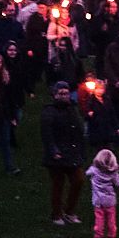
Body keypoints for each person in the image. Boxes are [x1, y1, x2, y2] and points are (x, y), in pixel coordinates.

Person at [41, 82, 88, 226]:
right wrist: (54, 150)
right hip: (57, 156)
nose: (64, 96)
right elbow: (47, 134)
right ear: (55, 95)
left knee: (78, 180)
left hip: (72, 153)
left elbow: (79, 131)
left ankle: (69, 211)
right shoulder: (49, 112)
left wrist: (81, 150)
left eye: (66, 93)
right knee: (58, 184)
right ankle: (56, 214)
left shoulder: (72, 110)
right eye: (60, 93)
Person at [86, 147, 119, 238]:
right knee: (111, 218)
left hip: (98, 200)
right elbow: (118, 184)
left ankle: (98, 235)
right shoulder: (114, 173)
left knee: (99, 218)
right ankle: (111, 235)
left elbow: (87, 173)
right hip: (110, 201)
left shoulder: (94, 170)